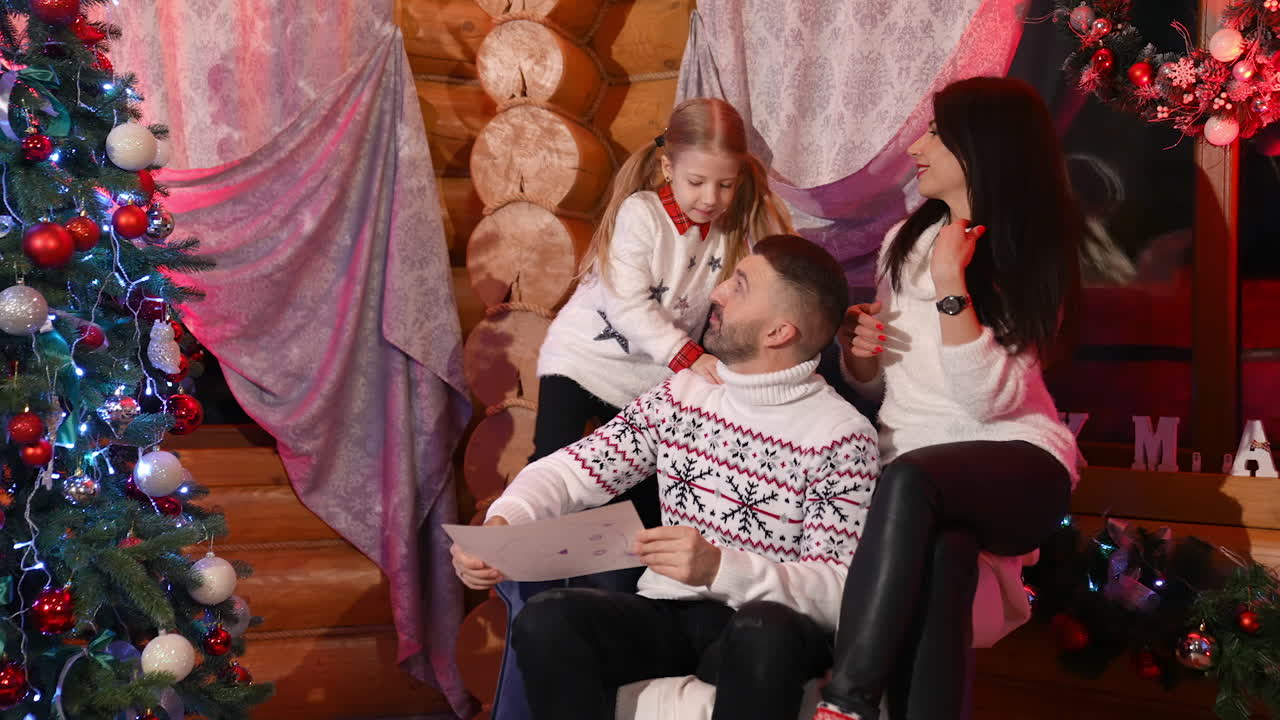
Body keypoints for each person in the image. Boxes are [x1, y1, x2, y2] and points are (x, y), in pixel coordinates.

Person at [452, 235, 877, 720]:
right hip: (666, 613)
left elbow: (841, 590)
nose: (717, 293)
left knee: (765, 631)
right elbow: (575, 468)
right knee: (548, 620)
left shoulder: (841, 436)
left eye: (740, 285)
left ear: (779, 332)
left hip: (762, 630)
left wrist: (721, 568)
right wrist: (506, 521)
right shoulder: (686, 392)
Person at [815, 77, 1082, 720]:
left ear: (979, 146)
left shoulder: (1027, 248)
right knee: (944, 560)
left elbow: (985, 402)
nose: (917, 147)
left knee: (908, 479)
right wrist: (861, 353)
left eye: (936, 132)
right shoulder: (901, 242)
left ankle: (844, 703)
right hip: (923, 474)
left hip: (1019, 462)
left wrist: (949, 285)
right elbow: (883, 389)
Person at [528, 96, 792, 468]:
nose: (710, 198)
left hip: (647, 379)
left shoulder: (728, 230)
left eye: (726, 185)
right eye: (697, 182)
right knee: (549, 468)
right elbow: (627, 306)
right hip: (582, 362)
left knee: (642, 489)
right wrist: (688, 356)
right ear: (668, 167)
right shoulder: (641, 214)